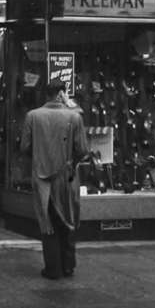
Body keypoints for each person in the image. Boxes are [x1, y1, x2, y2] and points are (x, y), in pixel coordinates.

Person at [20, 80, 91, 279]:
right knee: (67, 220)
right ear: (61, 94)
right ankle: (68, 265)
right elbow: (83, 150)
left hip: (42, 178)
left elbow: (24, 147)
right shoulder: (74, 117)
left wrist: (40, 158)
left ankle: (53, 268)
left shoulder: (32, 116)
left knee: (48, 222)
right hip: (66, 177)